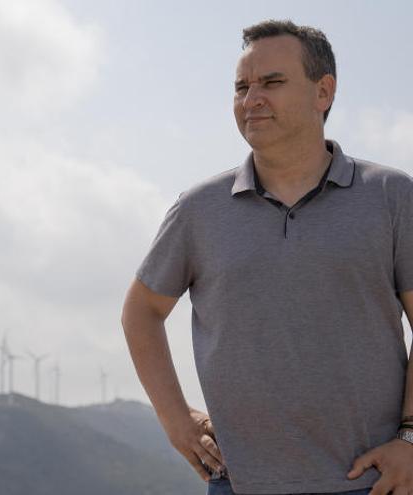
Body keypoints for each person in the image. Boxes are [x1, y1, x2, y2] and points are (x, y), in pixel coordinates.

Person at [121, 19, 413, 495]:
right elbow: (141, 311)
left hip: (374, 484)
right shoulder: (198, 209)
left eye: (272, 83)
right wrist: (176, 420)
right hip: (238, 484)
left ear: (324, 92)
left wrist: (411, 437)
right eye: (241, 86)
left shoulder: (391, 195)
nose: (251, 98)